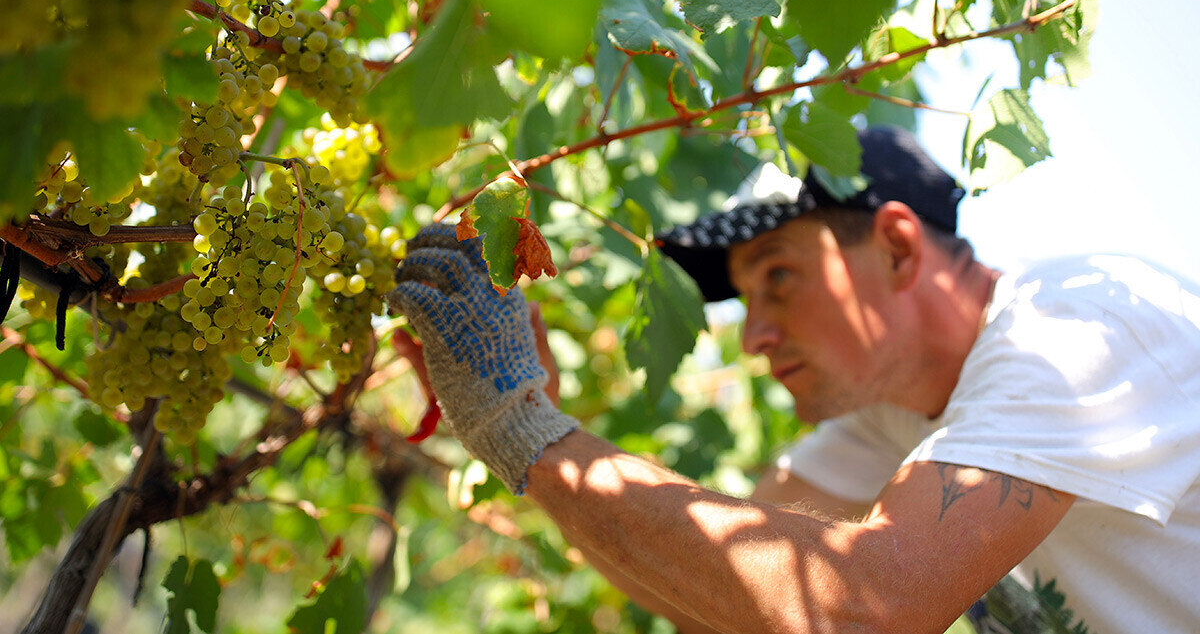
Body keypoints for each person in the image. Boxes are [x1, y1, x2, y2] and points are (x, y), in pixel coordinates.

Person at [388, 125, 1200, 634]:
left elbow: (859, 609)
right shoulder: (893, 414)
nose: (753, 333)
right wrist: (536, 429)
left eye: (778, 277)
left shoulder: (1075, 329)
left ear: (897, 246)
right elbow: (729, 594)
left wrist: (527, 432)